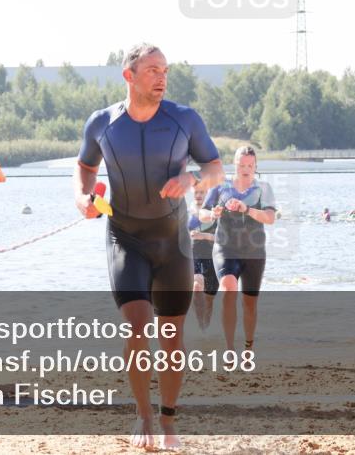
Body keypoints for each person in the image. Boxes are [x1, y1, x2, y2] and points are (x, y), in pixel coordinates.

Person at [73, 43, 224, 450]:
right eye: (153, 70)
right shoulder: (102, 123)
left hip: (173, 239)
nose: (162, 77)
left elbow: (215, 168)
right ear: (130, 76)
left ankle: (169, 419)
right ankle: (143, 414)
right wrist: (82, 197)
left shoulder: (184, 120)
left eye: (165, 70)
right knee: (137, 327)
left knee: (171, 336)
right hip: (125, 237)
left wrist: (192, 180)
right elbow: (85, 167)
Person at [201, 145, 277, 352]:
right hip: (225, 248)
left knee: (249, 304)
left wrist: (247, 209)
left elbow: (270, 218)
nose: (246, 169)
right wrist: (213, 214)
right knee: (228, 289)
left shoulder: (263, 188)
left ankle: (248, 346)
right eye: (242, 165)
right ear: (235, 165)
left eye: (250, 165)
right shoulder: (220, 187)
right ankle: (229, 348)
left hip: (254, 252)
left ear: (255, 166)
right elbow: (202, 214)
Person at [188, 181, 219, 330]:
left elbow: (223, 238)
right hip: (193, 255)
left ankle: (205, 327)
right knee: (196, 284)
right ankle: (199, 324)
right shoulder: (187, 212)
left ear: (208, 194)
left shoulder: (214, 213)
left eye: (202, 193)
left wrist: (203, 235)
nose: (199, 196)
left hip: (213, 256)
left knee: (210, 299)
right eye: (196, 192)